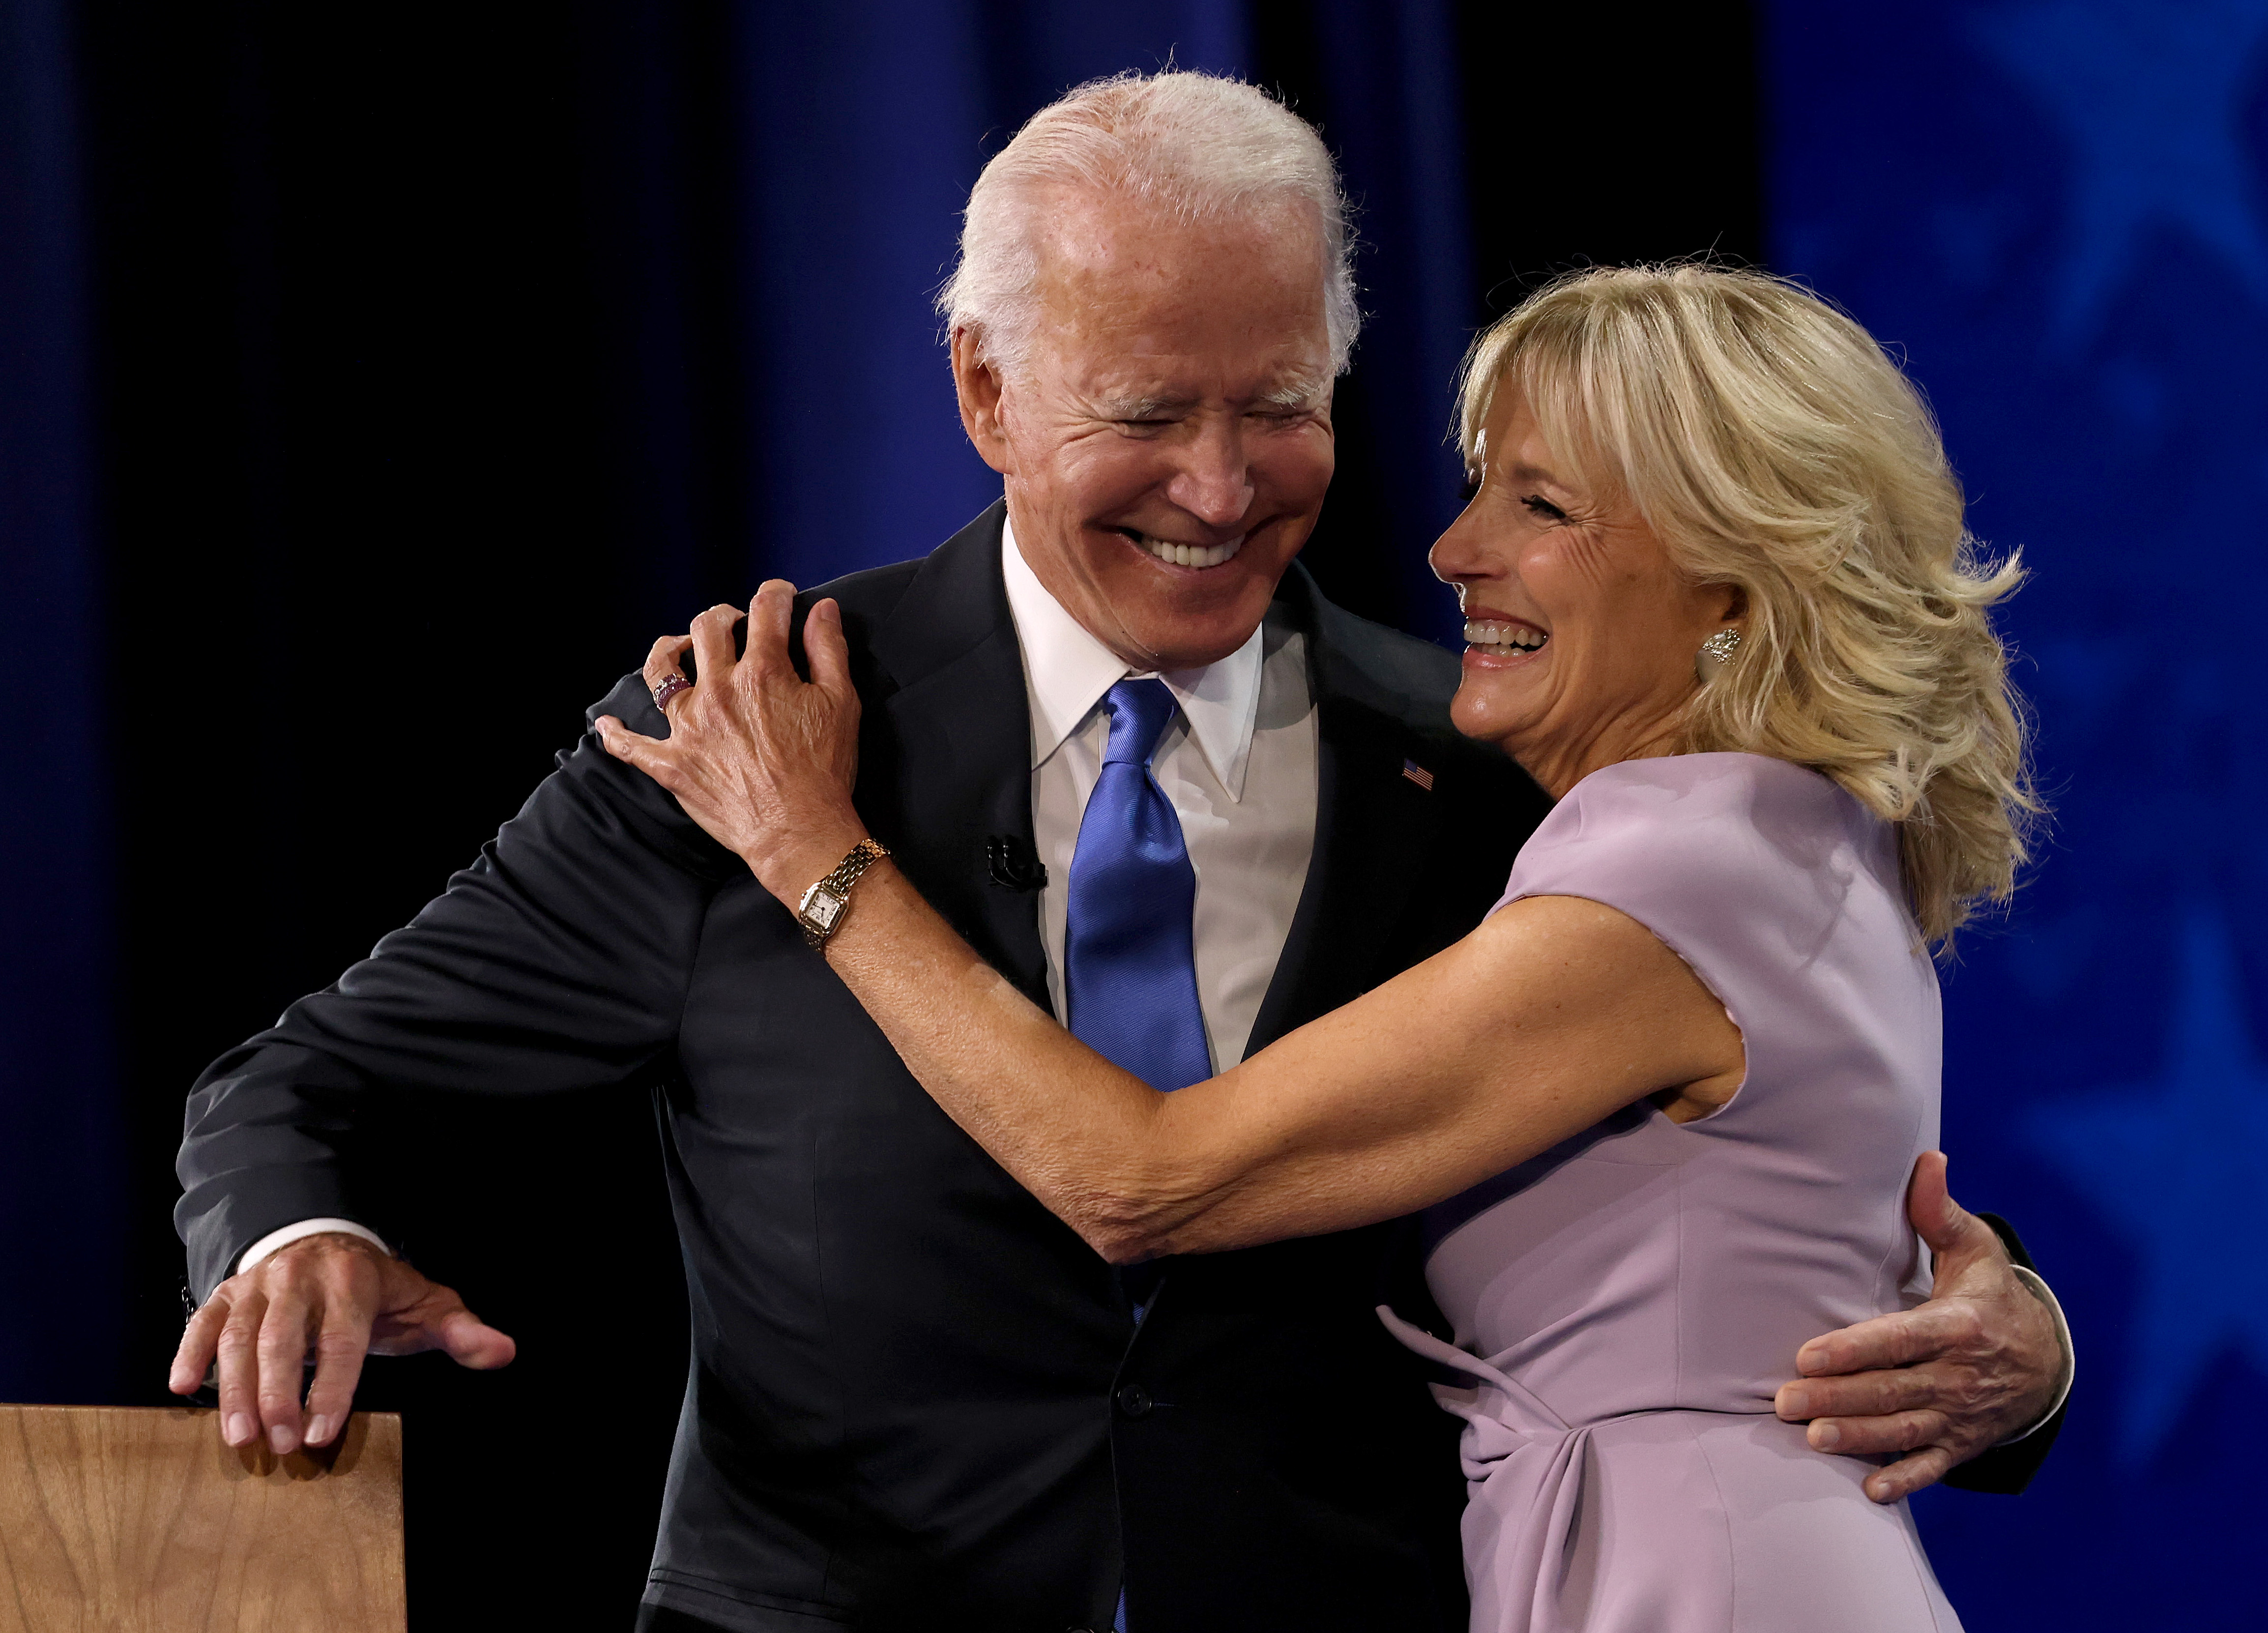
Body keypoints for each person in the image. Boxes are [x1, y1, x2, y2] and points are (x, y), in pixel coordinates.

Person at [171, 75, 2067, 1633]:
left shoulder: (1507, 763)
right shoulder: (750, 732)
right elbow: (305, 1075)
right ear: (988, 393)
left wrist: (2021, 1347)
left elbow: (1760, 1168)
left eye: (1280, 407)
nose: (1225, 487)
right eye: (1151, 413)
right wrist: (293, 1235)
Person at [597, 262, 2058, 1631]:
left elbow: (1140, 1173)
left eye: (1540, 506)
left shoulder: (1684, 860)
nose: (1453, 548)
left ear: (1730, 586)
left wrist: (812, 849)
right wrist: (2018, 1320)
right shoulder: (1780, 835)